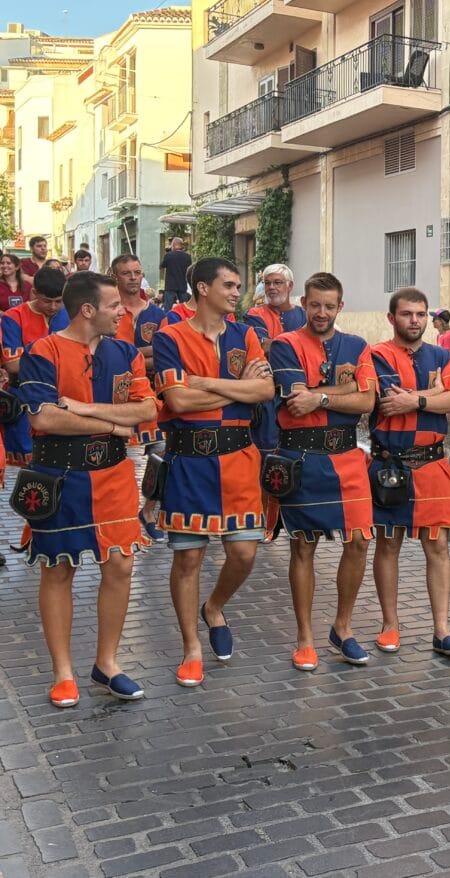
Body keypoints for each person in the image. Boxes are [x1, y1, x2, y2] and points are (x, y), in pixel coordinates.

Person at [15, 271, 157, 707]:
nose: (123, 312)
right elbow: (44, 418)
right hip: (59, 477)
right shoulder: (44, 351)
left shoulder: (126, 352)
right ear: (88, 310)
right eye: (115, 306)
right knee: (58, 568)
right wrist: (115, 422)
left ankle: (107, 664)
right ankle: (63, 673)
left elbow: (149, 407)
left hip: (113, 476)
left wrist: (88, 410)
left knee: (120, 566)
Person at [152, 258, 272, 688]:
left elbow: (265, 390)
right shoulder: (170, 337)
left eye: (239, 285)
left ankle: (215, 607)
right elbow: (178, 403)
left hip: (240, 459)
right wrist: (235, 388)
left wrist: (204, 382)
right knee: (188, 559)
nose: (237, 291)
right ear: (202, 288)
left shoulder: (247, 334)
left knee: (244, 553)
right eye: (229, 284)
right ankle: (191, 648)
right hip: (191, 462)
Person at [267, 272, 377, 671]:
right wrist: (334, 396)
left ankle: (343, 628)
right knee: (303, 546)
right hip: (302, 458)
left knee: (360, 541)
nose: (321, 313)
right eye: (315, 305)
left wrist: (323, 396)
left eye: (329, 306)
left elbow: (367, 401)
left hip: (348, 458)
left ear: (340, 307)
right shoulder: (284, 345)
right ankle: (305, 638)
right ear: (303, 304)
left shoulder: (357, 345)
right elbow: (297, 400)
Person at [369, 289, 450, 657]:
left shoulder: (441, 355)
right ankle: (389, 625)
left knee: (439, 544)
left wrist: (417, 399)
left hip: (432, 462)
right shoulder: (376, 355)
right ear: (391, 317)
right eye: (408, 314)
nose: (415, 320)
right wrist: (434, 394)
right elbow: (385, 400)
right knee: (388, 542)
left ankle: (442, 629)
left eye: (421, 314)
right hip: (389, 464)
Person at [109, 253, 169, 542]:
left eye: (137, 272)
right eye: (126, 273)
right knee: (112, 459)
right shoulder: (107, 311)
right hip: (113, 400)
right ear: (114, 276)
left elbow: (166, 355)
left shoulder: (158, 315)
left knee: (161, 456)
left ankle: (149, 511)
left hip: (152, 397)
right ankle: (114, 516)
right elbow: (105, 356)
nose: (133, 278)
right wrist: (143, 355)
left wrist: (128, 355)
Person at [3, 268, 69, 465]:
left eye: (59, 300)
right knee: (29, 471)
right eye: (47, 301)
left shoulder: (70, 314)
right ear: (34, 292)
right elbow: (13, 365)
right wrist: (61, 362)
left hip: (64, 398)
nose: (53, 306)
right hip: (25, 398)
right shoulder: (14, 316)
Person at [243, 263, 308, 457]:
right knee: (266, 455)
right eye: (267, 283)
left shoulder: (304, 315)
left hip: (299, 392)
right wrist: (303, 345)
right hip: (268, 395)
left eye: (277, 282)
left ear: (290, 286)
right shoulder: (255, 314)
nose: (271, 287)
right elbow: (262, 346)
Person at [159, 237, 192, 309]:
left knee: (167, 307)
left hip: (170, 285)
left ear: (173, 245)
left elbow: (162, 266)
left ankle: (167, 320)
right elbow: (190, 270)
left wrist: (167, 254)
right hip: (182, 285)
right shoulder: (188, 257)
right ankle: (185, 319)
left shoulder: (169, 255)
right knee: (185, 307)